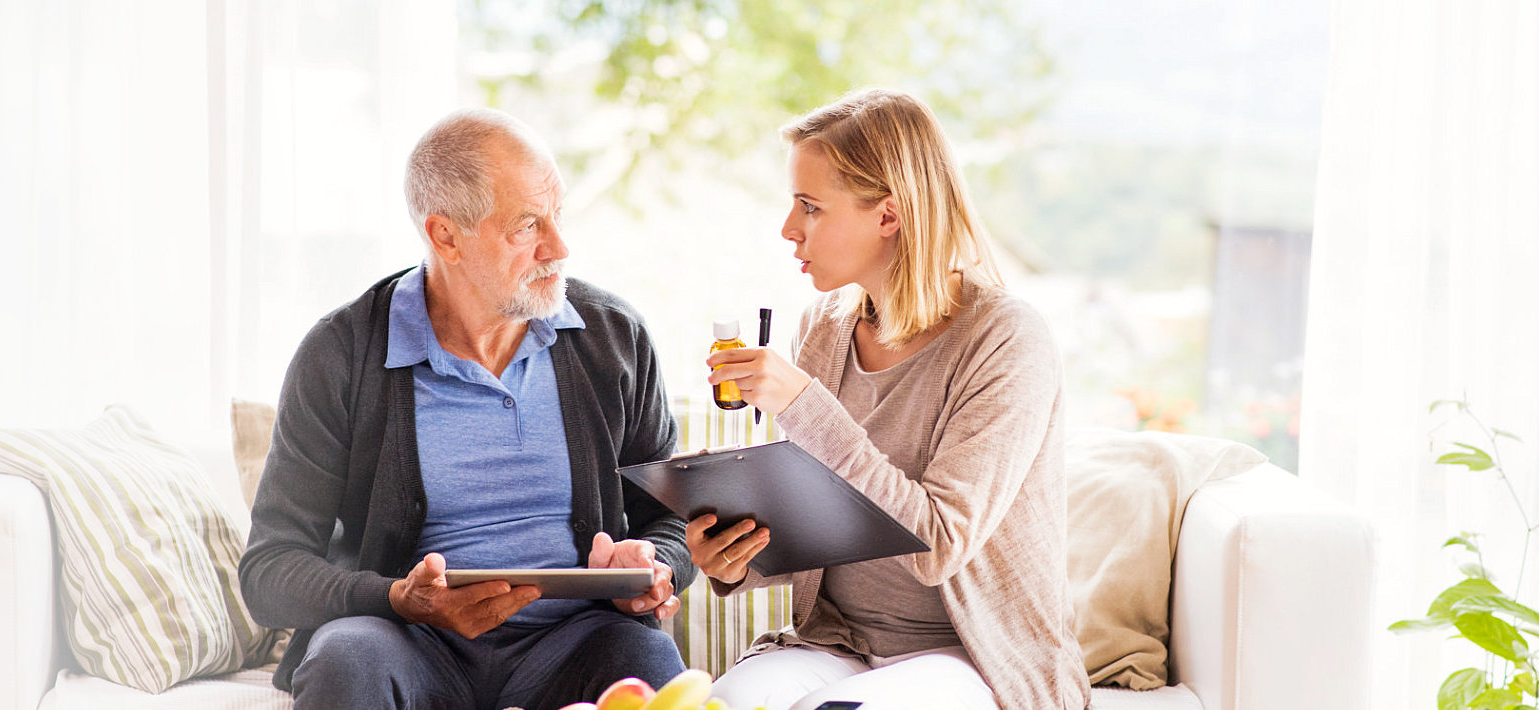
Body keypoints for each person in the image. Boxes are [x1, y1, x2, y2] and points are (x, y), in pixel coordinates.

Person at [239, 108, 694, 710]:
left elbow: (672, 520)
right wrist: (398, 597)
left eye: (557, 214)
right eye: (527, 225)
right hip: (407, 641)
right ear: (445, 236)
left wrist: (653, 566)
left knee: (648, 662)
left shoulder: (613, 337)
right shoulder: (341, 353)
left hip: (576, 640)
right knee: (345, 658)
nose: (559, 246)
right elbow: (269, 572)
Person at [693, 89, 1091, 710]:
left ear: (889, 215)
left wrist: (806, 405)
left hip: (972, 655)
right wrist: (737, 559)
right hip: (838, 642)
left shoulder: (1007, 340)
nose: (788, 228)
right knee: (727, 703)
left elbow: (938, 545)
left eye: (810, 207)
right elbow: (822, 517)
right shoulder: (824, 325)